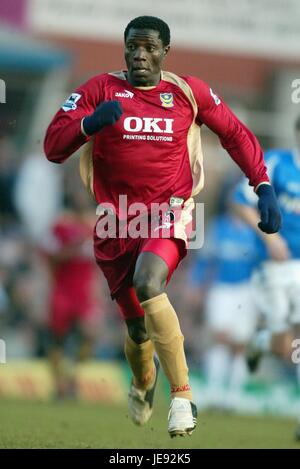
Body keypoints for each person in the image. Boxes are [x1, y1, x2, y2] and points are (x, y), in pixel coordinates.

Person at [44, 15, 281, 437]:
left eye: (150, 47)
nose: (139, 54)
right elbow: (52, 146)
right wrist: (89, 124)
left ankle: (183, 397)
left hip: (169, 212)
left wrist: (261, 184)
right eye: (132, 46)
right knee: (137, 328)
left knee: (150, 283)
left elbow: (236, 133)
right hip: (114, 221)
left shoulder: (188, 92)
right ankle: (142, 381)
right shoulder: (99, 89)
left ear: (164, 52)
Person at [232, 115, 300, 440]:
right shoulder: (276, 163)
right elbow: (239, 203)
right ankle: (261, 342)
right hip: (275, 265)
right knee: (282, 343)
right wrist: (269, 239)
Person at [187, 184, 259, 409]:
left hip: (247, 291)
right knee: (218, 338)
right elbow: (204, 261)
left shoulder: (256, 230)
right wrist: (197, 285)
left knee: (241, 343)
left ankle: (235, 395)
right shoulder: (218, 228)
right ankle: (215, 390)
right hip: (221, 290)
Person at [41, 190, 102, 398]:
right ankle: (59, 384)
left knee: (90, 334)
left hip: (84, 293)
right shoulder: (60, 226)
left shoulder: (95, 226)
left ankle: (72, 376)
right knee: (57, 338)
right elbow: (49, 256)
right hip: (63, 290)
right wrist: (71, 249)